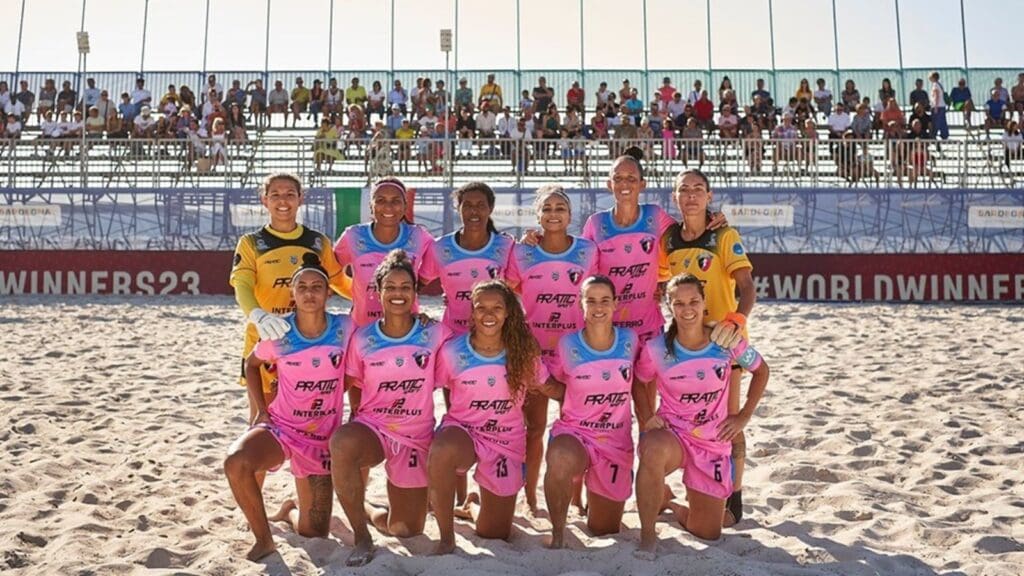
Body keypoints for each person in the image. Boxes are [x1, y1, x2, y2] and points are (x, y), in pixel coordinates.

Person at [223, 254, 354, 561]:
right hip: (282, 428)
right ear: (293, 294)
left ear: (328, 292)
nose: (309, 293)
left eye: (317, 287)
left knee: (314, 533)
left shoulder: (345, 328)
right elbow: (251, 364)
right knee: (235, 462)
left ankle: (291, 510)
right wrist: (261, 410)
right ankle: (264, 540)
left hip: (322, 438)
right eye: (303, 287)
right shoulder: (280, 332)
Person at [633, 274, 769, 555]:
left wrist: (743, 416)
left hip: (712, 443)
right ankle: (648, 537)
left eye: (694, 301)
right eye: (679, 303)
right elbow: (639, 379)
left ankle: (668, 502)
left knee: (707, 532)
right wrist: (647, 416)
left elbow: (761, 370)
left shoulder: (726, 340)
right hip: (675, 437)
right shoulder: (657, 348)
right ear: (669, 306)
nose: (687, 309)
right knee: (652, 448)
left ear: (704, 302)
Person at [329, 250, 448, 566]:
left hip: (416, 436)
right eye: (391, 287)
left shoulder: (434, 333)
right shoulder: (363, 338)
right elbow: (351, 384)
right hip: (375, 429)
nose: (398, 293)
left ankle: (370, 510)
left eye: (405, 287)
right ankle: (361, 536)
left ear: (415, 293)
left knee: (405, 529)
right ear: (378, 292)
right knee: (341, 442)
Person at [659, 169, 758, 524]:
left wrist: (737, 321)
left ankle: (734, 497)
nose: (691, 195)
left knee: (730, 423)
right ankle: (691, 490)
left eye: (698, 189)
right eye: (684, 189)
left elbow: (747, 287)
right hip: (685, 345)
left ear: (709, 195)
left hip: (722, 342)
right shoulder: (668, 239)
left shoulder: (723, 234)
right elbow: (660, 285)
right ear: (675, 197)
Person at [428, 280, 549, 555]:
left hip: (505, 440)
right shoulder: (453, 351)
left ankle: (472, 504)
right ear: (472, 313)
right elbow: (427, 387)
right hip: (465, 430)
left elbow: (549, 385)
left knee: (495, 533)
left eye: (497, 308)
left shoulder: (523, 352)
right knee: (442, 449)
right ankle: (447, 537)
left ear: (508, 313)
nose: (489, 314)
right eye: (481, 308)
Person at [505, 186, 599, 513]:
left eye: (560, 207)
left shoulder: (588, 252)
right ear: (538, 215)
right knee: (533, 429)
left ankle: (576, 498)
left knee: (577, 429)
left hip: (575, 355)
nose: (554, 213)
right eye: (547, 208)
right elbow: (509, 292)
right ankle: (531, 498)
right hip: (533, 354)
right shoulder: (522, 253)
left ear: (571, 216)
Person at [229, 173, 350, 421]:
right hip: (266, 339)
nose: (282, 201)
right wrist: (259, 317)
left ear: (300, 199)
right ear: (264, 200)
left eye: (290, 194)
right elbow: (241, 285)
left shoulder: (318, 242)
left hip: (308, 341)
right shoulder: (251, 243)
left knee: (308, 419)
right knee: (262, 420)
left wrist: (377, 299)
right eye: (275, 195)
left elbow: (339, 283)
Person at [542, 275, 642, 549]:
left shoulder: (630, 340)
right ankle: (559, 534)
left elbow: (642, 384)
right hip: (576, 433)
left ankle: (587, 492)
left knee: (602, 529)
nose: (598, 307)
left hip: (615, 441)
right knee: (561, 456)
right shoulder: (567, 344)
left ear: (615, 304)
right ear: (581, 304)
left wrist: (649, 422)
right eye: (591, 301)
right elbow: (558, 387)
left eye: (605, 300)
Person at [333, 178, 434, 327]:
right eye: (381, 200)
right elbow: (331, 272)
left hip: (406, 326)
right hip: (362, 327)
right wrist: (355, 293)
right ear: (371, 206)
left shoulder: (419, 235)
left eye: (395, 200)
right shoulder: (353, 235)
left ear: (405, 205)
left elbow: (439, 265)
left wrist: (415, 286)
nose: (388, 206)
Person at [420, 182, 515, 334]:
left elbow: (519, 286)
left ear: (490, 209)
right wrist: (412, 315)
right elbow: (414, 284)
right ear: (459, 209)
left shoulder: (506, 245)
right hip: (453, 335)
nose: (474, 211)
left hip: (496, 337)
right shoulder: (440, 247)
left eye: (480, 205)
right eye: (468, 205)